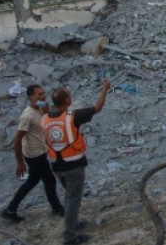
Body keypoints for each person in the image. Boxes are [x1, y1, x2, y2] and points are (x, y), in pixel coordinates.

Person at [43, 78, 110, 245]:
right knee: (73, 200)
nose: (70, 97)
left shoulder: (45, 118)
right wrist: (104, 90)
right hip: (73, 165)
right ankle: (70, 237)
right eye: (69, 96)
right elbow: (97, 108)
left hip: (56, 164)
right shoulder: (72, 116)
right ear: (67, 100)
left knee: (69, 196)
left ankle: (73, 223)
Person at [2, 84, 65, 222]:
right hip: (34, 153)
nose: (43, 96)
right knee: (50, 180)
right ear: (31, 98)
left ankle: (10, 209)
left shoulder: (41, 109)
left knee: (33, 180)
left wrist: (47, 111)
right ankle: (57, 208)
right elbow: (17, 140)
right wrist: (20, 163)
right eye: (39, 95)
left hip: (40, 150)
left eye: (43, 93)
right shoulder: (27, 116)